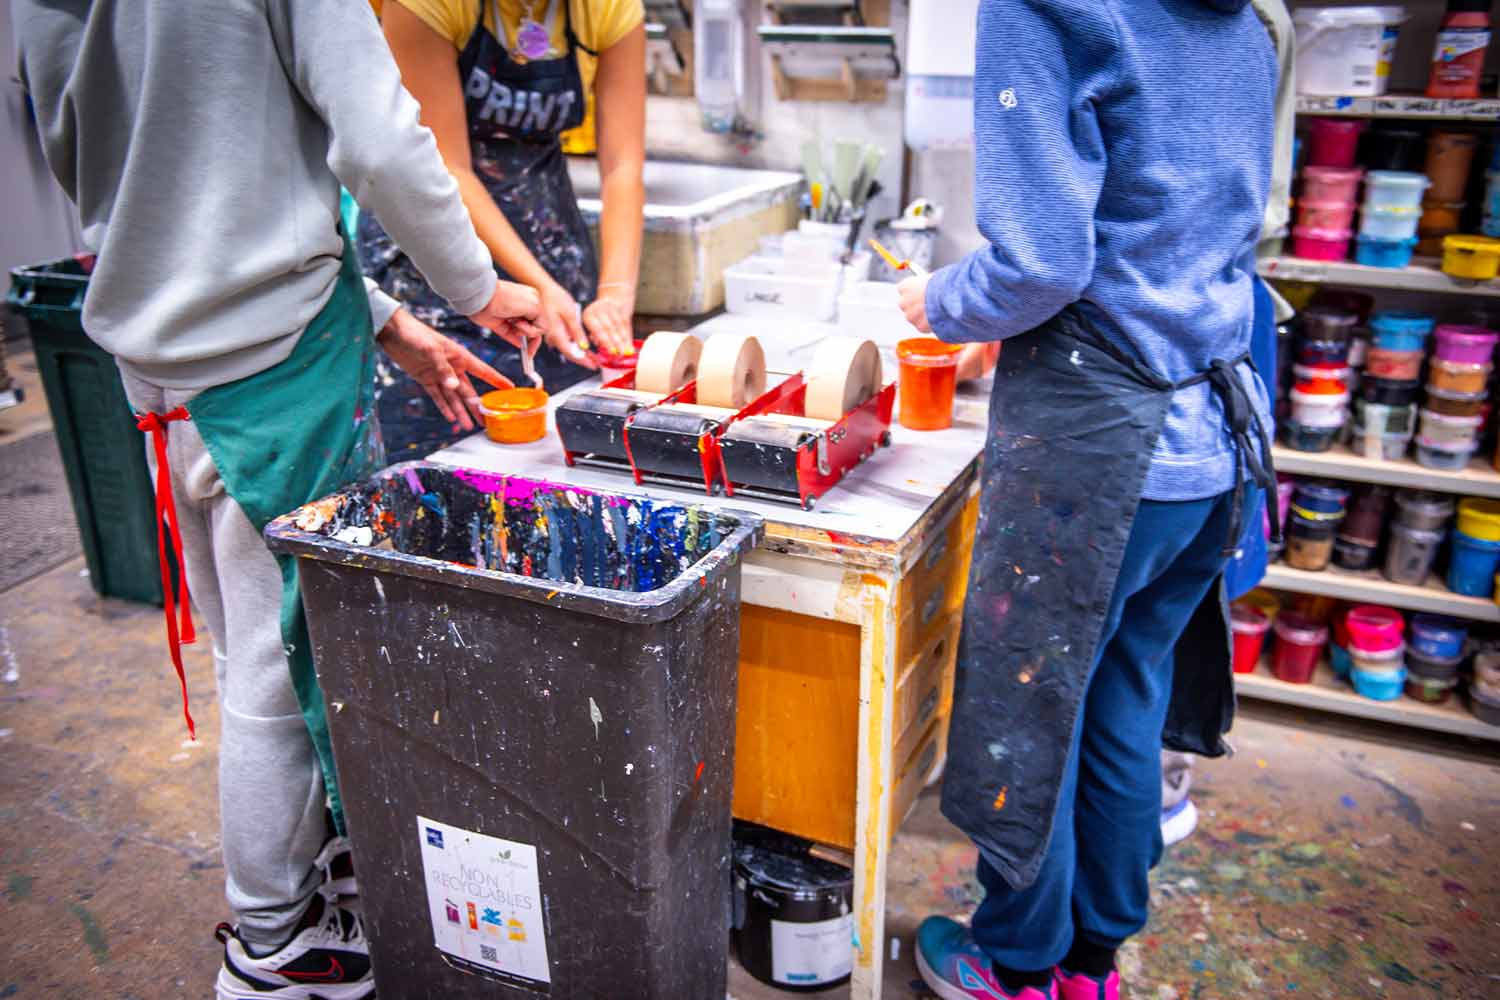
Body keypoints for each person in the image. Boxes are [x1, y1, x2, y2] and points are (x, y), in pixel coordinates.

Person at [14, 2, 542, 997]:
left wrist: (388, 321)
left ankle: (313, 876)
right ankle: (274, 946)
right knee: (278, 673)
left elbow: (138, 161)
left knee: (244, 653)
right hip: (273, 371)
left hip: (166, 367)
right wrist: (474, 288)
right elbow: (381, 140)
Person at [896, 1, 1278, 998]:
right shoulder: (1242, 24)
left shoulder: (1045, 7)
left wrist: (939, 301)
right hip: (1211, 443)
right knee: (1122, 698)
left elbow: (1043, 262)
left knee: (1032, 716)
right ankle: (1089, 962)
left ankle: (1015, 962)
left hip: (1105, 455)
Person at [360, 0, 646, 457]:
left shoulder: (605, 8)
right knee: (446, 462)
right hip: (436, 271)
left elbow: (623, 168)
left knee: (553, 454)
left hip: (553, 259)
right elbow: (448, 167)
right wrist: (537, 284)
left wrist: (614, 292)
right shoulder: (425, 5)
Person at [1162, 0, 1296, 850]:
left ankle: (1166, 785)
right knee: (1184, 585)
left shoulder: (1253, 18)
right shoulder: (1263, 16)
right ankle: (1162, 787)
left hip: (1205, 306)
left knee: (1187, 576)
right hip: (1224, 295)